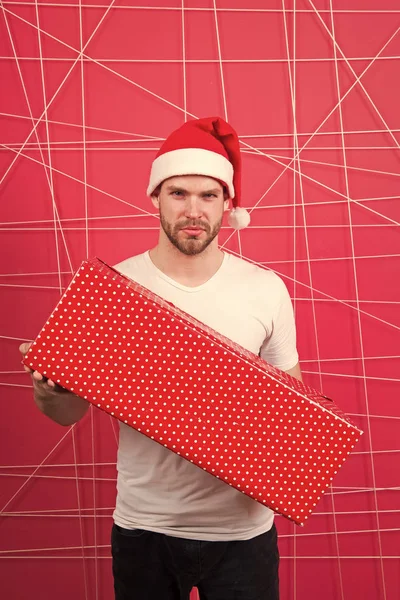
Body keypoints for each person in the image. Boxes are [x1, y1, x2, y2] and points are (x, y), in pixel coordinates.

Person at [20, 117, 302, 600]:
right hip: (144, 527)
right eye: (178, 193)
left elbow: (292, 413)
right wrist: (51, 390)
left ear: (227, 203)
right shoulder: (111, 293)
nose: (193, 210)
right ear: (155, 197)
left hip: (243, 532)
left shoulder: (266, 289)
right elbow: (66, 414)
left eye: (208, 195)